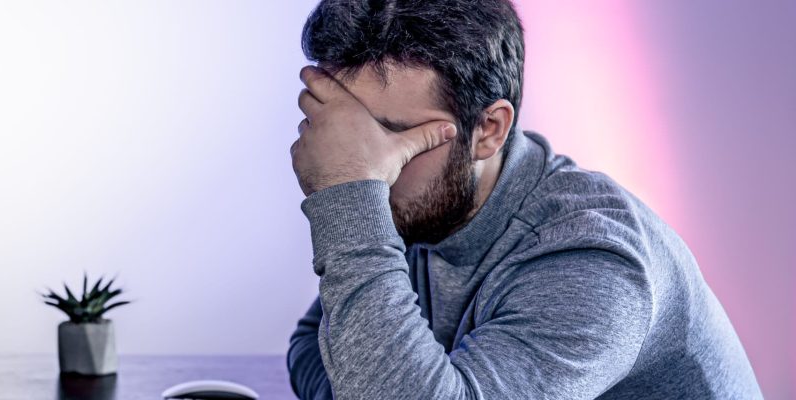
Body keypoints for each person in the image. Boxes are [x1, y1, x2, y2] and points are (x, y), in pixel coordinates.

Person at [285, 1, 763, 399]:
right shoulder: (420, 205)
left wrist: (348, 192)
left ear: (488, 130)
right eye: (345, 133)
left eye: (389, 134)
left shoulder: (592, 263)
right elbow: (314, 345)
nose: (364, 160)